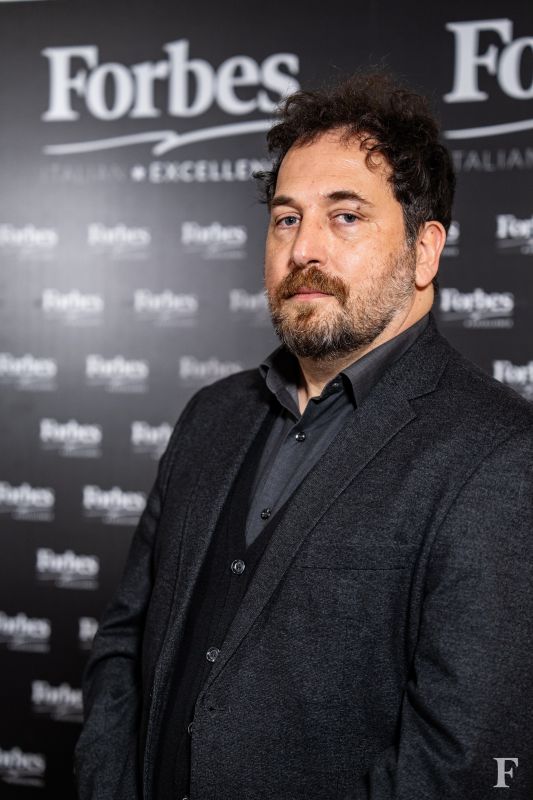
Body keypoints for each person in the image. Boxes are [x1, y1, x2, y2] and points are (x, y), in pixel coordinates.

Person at [75, 73, 533, 800]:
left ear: (424, 251)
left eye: (345, 216)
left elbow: (459, 762)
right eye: (287, 218)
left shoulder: (499, 454)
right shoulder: (211, 414)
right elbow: (124, 644)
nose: (304, 249)